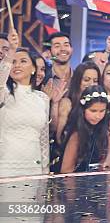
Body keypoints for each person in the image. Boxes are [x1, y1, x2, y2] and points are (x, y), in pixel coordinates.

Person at [0, 32, 50, 176]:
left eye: (23, 61)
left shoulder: (42, 99)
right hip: (5, 168)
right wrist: (11, 51)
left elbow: (43, 140)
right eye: (13, 62)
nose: (16, 65)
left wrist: (44, 172)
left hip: (33, 168)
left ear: (34, 68)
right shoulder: (4, 93)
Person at [59, 85, 110, 173]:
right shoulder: (76, 135)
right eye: (93, 111)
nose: (98, 116)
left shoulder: (105, 122)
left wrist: (109, 159)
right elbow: (66, 171)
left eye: (102, 111)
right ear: (83, 109)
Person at [56, 62, 101, 142]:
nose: (91, 84)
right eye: (86, 80)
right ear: (78, 81)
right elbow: (59, 138)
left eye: (95, 80)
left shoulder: (101, 105)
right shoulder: (67, 103)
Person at [42, 32, 74, 135]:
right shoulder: (43, 79)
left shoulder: (81, 77)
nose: (63, 49)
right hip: (47, 135)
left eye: (66, 45)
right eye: (57, 46)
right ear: (49, 52)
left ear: (71, 49)